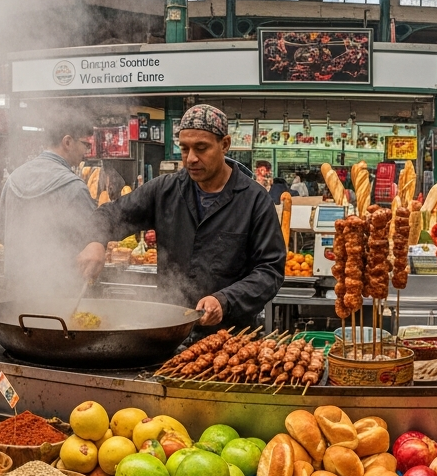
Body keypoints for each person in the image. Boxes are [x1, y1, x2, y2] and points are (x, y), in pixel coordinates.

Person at [79, 104, 285, 333]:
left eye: (201, 148)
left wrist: (225, 300)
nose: (191, 159)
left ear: (225, 144)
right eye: (185, 149)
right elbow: (112, 214)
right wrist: (96, 241)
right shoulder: (164, 191)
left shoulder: (255, 200)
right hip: (168, 331)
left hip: (230, 339)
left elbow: (269, 271)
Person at [0, 122, 97, 300]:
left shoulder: (13, 179)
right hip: (59, 296)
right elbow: (91, 246)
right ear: (68, 142)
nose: (86, 152)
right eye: (85, 144)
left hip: (15, 293)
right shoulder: (74, 187)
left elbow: (2, 236)